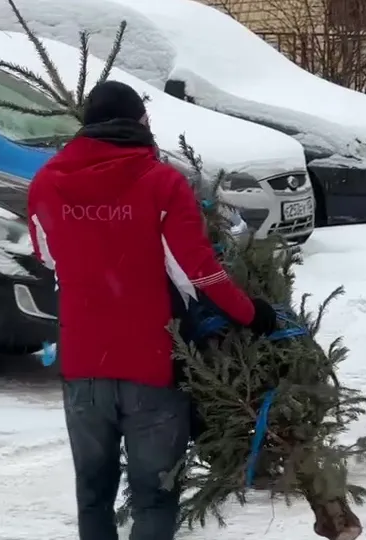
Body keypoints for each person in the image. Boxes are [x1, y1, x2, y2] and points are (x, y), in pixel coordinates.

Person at [27, 80, 278, 540]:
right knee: (155, 496)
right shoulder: (161, 182)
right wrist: (251, 314)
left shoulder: (46, 182)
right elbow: (199, 273)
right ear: (139, 123)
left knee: (93, 493)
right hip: (152, 365)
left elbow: (46, 256)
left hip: (83, 366)